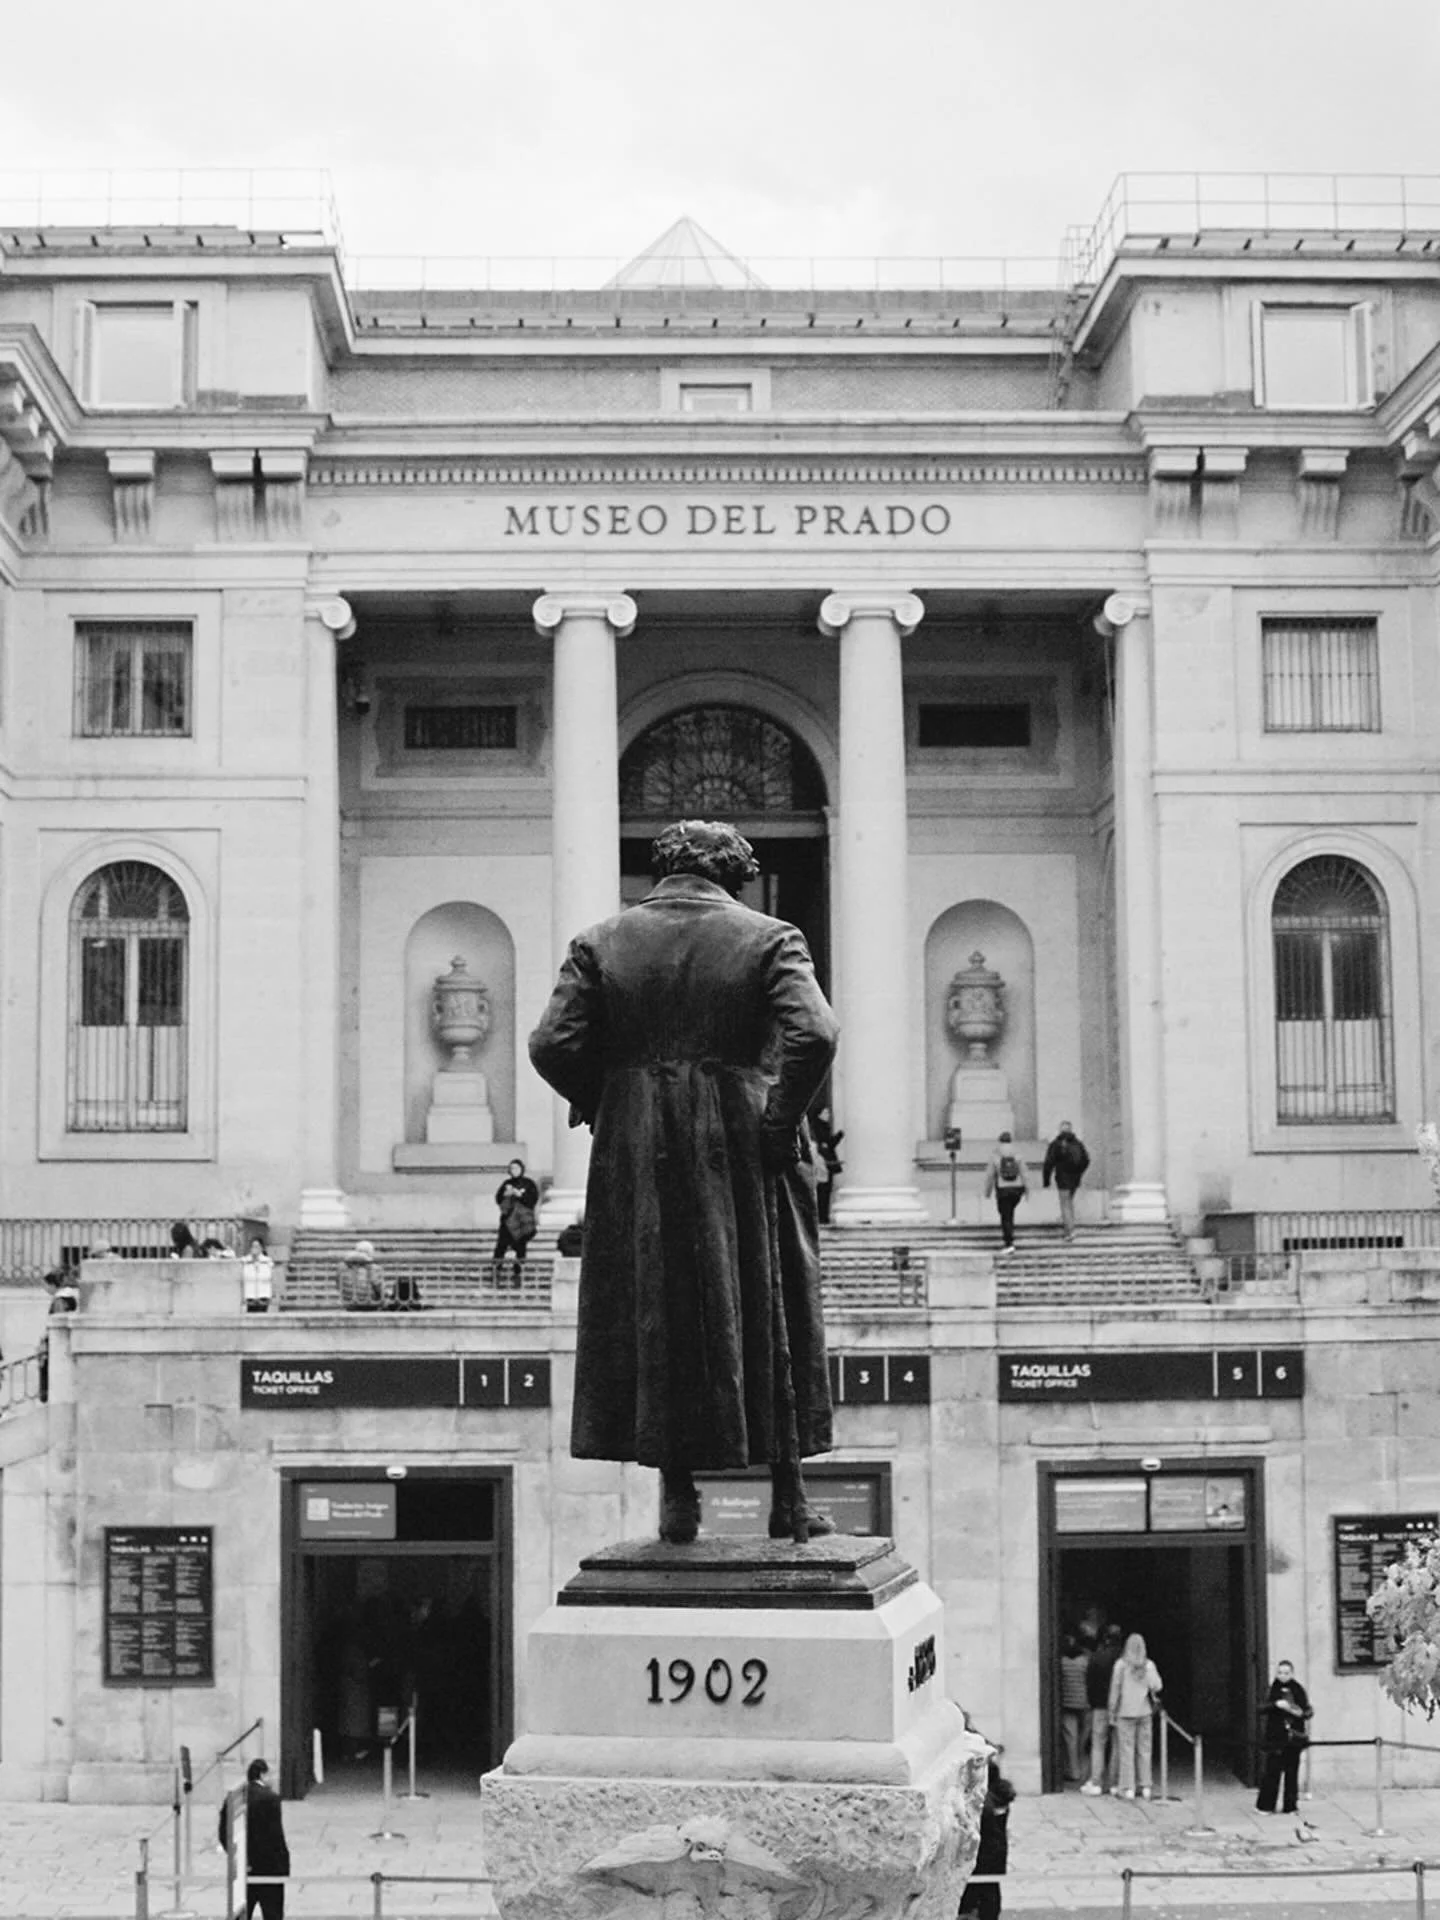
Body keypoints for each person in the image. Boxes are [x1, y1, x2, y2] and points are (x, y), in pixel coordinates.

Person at [530, 818, 839, 1545]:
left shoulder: (601, 941)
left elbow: (550, 1044)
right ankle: (790, 1498)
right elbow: (817, 1032)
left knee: (657, 1303)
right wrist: (778, 1116)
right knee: (771, 1302)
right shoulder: (769, 937)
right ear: (733, 870)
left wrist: (606, 1096)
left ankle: (676, 1497)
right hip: (741, 1136)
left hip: (639, 1145)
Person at [219, 1756, 290, 1920]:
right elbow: (275, 1836)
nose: (273, 1778)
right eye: (270, 1774)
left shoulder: (233, 1798)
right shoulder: (270, 1798)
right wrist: (283, 1864)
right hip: (268, 1868)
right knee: (273, 1913)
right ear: (262, 1775)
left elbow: (223, 1830)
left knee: (240, 1914)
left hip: (242, 1866)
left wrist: (233, 1853)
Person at [958, 1724, 1015, 1919]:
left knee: (980, 1902)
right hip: (992, 1861)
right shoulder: (997, 1796)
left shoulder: (985, 1803)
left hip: (982, 1863)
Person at [1108, 1632, 1163, 1799]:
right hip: (1144, 1711)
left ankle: (1128, 1787)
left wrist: (1112, 1710)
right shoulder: (1149, 1665)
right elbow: (1158, 1686)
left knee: (1126, 1751)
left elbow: (1115, 1690)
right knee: (1145, 1750)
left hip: (1125, 1712)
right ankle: (1145, 1785)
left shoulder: (1121, 1665)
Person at [1256, 1658, 1312, 1814]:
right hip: (1276, 1735)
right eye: (1280, 1672)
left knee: (1292, 1772)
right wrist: (1275, 1705)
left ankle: (1290, 1805)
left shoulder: (1298, 1689)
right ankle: (1266, 1805)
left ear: (1292, 1673)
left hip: (1294, 1736)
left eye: (1286, 1673)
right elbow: (1260, 1707)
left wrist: (1298, 1712)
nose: (1283, 1676)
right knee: (1272, 1771)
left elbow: (1307, 1710)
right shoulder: (1270, 1689)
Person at [1081, 1622, 1124, 1794]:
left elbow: (1089, 1681)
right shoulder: (1123, 1658)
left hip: (1099, 1706)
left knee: (1098, 1744)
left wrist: (1091, 1702)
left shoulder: (1097, 1656)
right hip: (1121, 1707)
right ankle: (1114, 1783)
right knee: (1117, 1745)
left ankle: (1096, 1782)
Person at [1042, 1120, 1091, 1242]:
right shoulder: (1078, 1144)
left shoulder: (1056, 1144)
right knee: (1069, 1203)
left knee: (1065, 1205)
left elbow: (1048, 1163)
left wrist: (1046, 1180)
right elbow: (1086, 1160)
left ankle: (1070, 1231)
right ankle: (1069, 1226)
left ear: (1060, 1130)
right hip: (1075, 1179)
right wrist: (1079, 1173)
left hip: (1062, 1178)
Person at [38, 1267, 80, 1403]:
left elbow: (57, 1322)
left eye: (45, 1286)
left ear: (52, 1285)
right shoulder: (72, 1297)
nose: (45, 1290)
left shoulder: (60, 1301)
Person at [983, 1132, 1029, 1254]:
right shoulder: (1018, 1153)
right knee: (1010, 1214)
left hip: (1003, 1189)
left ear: (1000, 1141)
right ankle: (1009, 1239)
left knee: (1005, 1216)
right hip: (1017, 1189)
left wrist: (987, 1192)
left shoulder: (996, 1155)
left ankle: (1009, 1243)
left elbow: (990, 1175)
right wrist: (1027, 1190)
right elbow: (1025, 1173)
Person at [493, 1160, 539, 1279]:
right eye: (512, 1168)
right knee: (501, 1245)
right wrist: (506, 1194)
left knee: (520, 1244)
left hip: (521, 1220)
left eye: (516, 1168)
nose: (514, 1171)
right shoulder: (506, 1183)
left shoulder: (528, 1183)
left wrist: (520, 1195)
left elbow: (533, 1199)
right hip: (507, 1220)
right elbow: (498, 1199)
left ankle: (518, 1269)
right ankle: (496, 1268)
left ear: (522, 1169)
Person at [1059, 1632, 1090, 1782]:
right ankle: (1083, 1771)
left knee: (1071, 1739)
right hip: (1084, 1703)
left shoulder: (1061, 1662)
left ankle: (1074, 1771)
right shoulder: (1085, 1661)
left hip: (1067, 1704)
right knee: (1083, 1741)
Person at [811, 1107, 844, 1225]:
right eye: (825, 1112)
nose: (828, 1115)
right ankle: (822, 1217)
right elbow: (827, 1144)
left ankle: (823, 1216)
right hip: (823, 1164)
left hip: (826, 1165)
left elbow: (828, 1144)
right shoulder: (818, 1128)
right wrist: (838, 1136)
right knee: (822, 1192)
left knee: (825, 1191)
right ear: (819, 1114)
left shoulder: (823, 1127)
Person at [337, 1239, 389, 1310]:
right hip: (369, 1303)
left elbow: (338, 1285)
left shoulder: (342, 1266)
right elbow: (379, 1288)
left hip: (348, 1302)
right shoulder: (373, 1267)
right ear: (369, 1253)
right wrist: (387, 1296)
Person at [241, 1239, 275, 1314]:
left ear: (261, 1248)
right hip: (250, 1295)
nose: (254, 1248)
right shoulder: (245, 1261)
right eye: (253, 1246)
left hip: (263, 1295)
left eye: (257, 1246)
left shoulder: (267, 1261)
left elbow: (271, 1278)